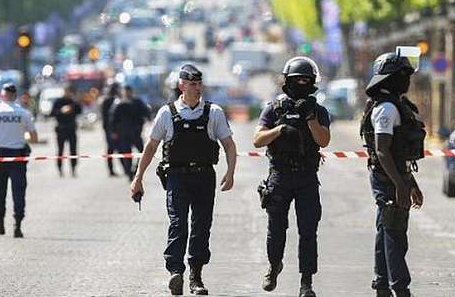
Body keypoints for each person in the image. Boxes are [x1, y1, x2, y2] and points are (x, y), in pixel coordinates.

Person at [129, 64, 236, 296]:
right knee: (178, 224)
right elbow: (151, 146)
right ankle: (175, 271)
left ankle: (196, 277)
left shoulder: (213, 112)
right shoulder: (167, 113)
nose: (196, 88)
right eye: (191, 84)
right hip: (177, 177)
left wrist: (231, 172)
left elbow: (228, 144)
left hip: (204, 176)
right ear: (181, 86)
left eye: (199, 84)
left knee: (201, 226)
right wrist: (138, 177)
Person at [252, 57, 331, 297]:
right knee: (276, 229)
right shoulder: (274, 108)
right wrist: (279, 130)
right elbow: (257, 140)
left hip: (307, 178)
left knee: (308, 231)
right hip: (280, 176)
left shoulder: (317, 111)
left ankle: (306, 283)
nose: (302, 84)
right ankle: (274, 267)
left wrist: (310, 121)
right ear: (288, 82)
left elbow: (324, 141)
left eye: (306, 81)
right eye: (298, 80)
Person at [359, 50, 425, 297]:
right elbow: (383, 150)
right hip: (388, 178)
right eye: (403, 75)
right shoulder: (386, 109)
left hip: (394, 176)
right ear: (391, 78)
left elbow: (399, 155)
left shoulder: (394, 105)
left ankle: (382, 285)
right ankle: (400, 288)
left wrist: (411, 183)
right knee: (395, 234)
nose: (407, 80)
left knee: (385, 230)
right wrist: (400, 185)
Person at [0, 83, 38, 238]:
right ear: (15, 96)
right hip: (18, 156)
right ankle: (17, 225)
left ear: (2, 96)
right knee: (18, 192)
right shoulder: (24, 114)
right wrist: (23, 136)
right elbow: (34, 138)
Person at [109, 85, 151, 180]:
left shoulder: (137, 102)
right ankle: (128, 172)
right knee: (126, 154)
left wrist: (148, 118)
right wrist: (113, 131)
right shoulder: (118, 103)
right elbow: (113, 118)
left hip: (136, 132)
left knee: (142, 152)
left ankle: (136, 169)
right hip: (123, 133)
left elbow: (146, 111)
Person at [51, 85, 83, 177]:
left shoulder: (73, 102)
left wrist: (75, 103)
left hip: (71, 128)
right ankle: (60, 169)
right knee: (60, 150)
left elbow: (79, 111)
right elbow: (52, 113)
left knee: (73, 151)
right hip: (61, 128)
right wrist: (61, 111)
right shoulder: (58, 101)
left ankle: (73, 169)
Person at [100, 82, 121, 176]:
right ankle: (112, 170)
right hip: (111, 128)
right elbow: (105, 117)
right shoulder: (110, 100)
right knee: (112, 149)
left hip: (113, 128)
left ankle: (124, 169)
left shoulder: (114, 99)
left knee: (117, 149)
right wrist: (110, 130)